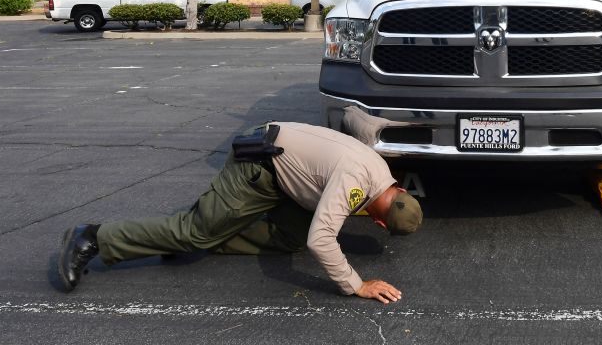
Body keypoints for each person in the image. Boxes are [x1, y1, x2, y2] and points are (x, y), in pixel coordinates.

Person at [57, 121, 423, 304]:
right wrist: (356, 285)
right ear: (378, 220)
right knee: (193, 232)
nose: (373, 222)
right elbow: (322, 239)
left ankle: (199, 236)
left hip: (286, 172)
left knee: (291, 237)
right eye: (377, 221)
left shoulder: (380, 170)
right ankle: (94, 237)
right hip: (259, 166)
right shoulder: (355, 184)